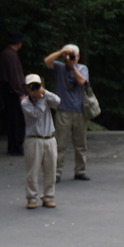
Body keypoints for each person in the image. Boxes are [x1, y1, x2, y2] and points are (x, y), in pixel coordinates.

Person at [43, 44, 90, 182]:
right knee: (59, 144)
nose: (69, 58)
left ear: (78, 57)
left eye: (73, 55)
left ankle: (80, 171)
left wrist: (73, 66)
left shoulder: (82, 68)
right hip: (63, 110)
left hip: (80, 111)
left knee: (81, 144)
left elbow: (81, 81)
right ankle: (56, 172)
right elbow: (47, 61)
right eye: (67, 56)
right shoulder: (59, 67)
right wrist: (62, 52)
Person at [19, 74, 59, 210]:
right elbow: (37, 114)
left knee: (51, 170)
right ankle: (32, 198)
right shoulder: (25, 102)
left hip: (49, 138)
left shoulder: (46, 97)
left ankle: (49, 197)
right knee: (32, 171)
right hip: (34, 139)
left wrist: (44, 92)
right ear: (27, 88)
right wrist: (40, 99)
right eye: (32, 86)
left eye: (37, 85)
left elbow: (58, 101)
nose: (34, 88)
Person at [0, 31, 26, 157]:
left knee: (12, 119)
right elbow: (14, 76)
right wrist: (20, 92)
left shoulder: (6, 53)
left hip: (8, 90)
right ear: (18, 43)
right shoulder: (11, 56)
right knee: (17, 120)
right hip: (13, 91)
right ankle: (17, 147)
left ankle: (13, 146)